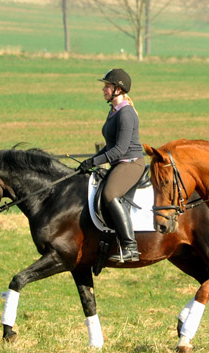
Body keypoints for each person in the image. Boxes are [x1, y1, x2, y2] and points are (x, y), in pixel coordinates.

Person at [78, 68, 144, 263]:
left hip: (131, 163)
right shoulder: (114, 111)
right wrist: (90, 161)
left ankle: (130, 246)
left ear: (118, 89)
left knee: (110, 194)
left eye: (107, 86)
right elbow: (109, 146)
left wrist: (95, 161)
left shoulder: (126, 114)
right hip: (120, 162)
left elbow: (120, 150)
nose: (103, 89)